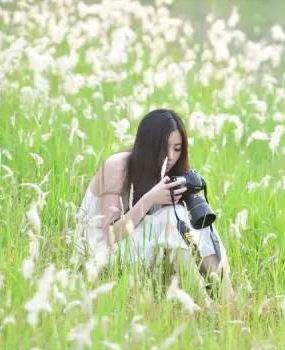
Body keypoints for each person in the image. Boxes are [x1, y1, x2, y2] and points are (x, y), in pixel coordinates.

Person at [75, 108, 234, 301]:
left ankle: (227, 299)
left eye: (177, 149)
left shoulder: (171, 172)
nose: (171, 156)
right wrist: (150, 198)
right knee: (171, 217)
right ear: (148, 145)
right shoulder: (117, 166)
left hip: (139, 244)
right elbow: (109, 236)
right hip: (99, 251)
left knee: (195, 223)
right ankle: (202, 302)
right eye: (164, 148)